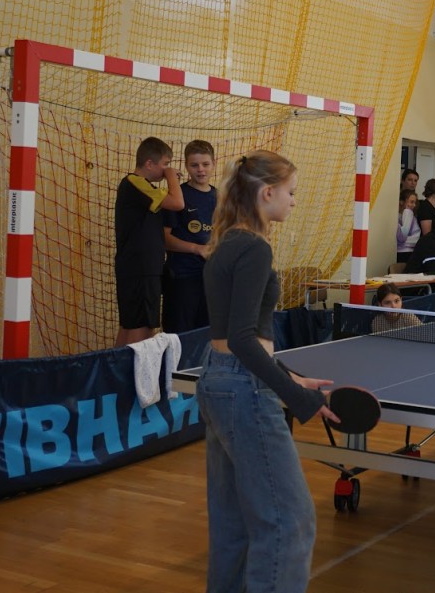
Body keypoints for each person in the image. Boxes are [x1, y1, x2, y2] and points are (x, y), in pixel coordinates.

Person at [199, 150, 338, 592]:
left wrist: (290, 376)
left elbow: (234, 340)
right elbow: (244, 338)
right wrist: (298, 398)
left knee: (233, 523)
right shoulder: (255, 248)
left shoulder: (226, 242)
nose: (294, 201)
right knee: (290, 521)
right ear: (267, 193)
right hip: (243, 389)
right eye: (291, 192)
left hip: (218, 379)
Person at [114, 136, 185, 347]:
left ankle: (117, 368)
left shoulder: (143, 188)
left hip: (141, 268)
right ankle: (136, 369)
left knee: (130, 326)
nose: (166, 169)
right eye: (165, 164)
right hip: (140, 268)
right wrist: (171, 177)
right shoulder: (134, 182)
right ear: (149, 164)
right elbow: (178, 202)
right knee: (142, 329)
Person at [162, 140, 217, 334]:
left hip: (212, 278)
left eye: (205, 164)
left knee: (206, 335)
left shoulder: (221, 197)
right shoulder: (177, 197)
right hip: (182, 277)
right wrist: (197, 248)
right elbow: (164, 239)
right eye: (194, 165)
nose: (200, 169)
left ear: (214, 164)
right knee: (179, 336)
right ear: (186, 166)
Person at [396, 188, 421, 263]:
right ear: (401, 202)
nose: (414, 205)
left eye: (415, 202)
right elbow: (403, 236)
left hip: (405, 251)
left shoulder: (407, 213)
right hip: (406, 252)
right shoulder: (407, 213)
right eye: (411, 202)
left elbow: (402, 237)